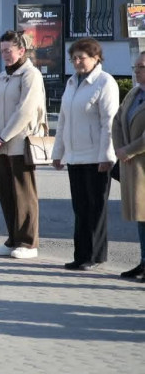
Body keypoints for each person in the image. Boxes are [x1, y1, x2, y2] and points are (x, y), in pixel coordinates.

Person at [51, 38, 117, 271]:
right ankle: (80, 255)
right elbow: (63, 121)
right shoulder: (71, 83)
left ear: (96, 57)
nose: (77, 62)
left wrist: (106, 156)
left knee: (95, 208)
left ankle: (94, 256)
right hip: (75, 156)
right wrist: (58, 152)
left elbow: (109, 122)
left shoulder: (104, 82)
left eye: (82, 57)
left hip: (96, 157)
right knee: (80, 207)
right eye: (74, 58)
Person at [0, 30, 47, 260]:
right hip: (1, 145)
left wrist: (4, 135)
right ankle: (12, 239)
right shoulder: (3, 76)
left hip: (20, 144)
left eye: (8, 50)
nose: (5, 55)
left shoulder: (30, 75)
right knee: (6, 193)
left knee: (24, 194)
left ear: (21, 50)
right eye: (1, 51)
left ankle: (28, 242)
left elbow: (26, 110)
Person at [113, 53, 145, 282]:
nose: (136, 71)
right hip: (132, 163)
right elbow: (117, 120)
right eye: (135, 67)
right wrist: (120, 148)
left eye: (141, 67)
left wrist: (130, 149)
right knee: (141, 216)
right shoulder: (135, 93)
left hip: (140, 160)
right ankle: (143, 262)